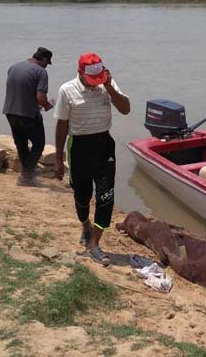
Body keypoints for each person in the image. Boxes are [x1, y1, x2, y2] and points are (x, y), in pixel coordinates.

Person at [55, 53, 130, 266]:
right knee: (82, 195)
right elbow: (62, 125)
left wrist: (109, 87)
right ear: (80, 73)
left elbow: (125, 109)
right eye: (92, 79)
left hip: (104, 145)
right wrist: (59, 158)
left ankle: (94, 245)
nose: (96, 82)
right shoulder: (66, 90)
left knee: (106, 195)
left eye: (100, 77)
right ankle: (85, 225)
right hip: (78, 146)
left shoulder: (107, 84)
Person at [3, 47, 54, 187]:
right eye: (47, 62)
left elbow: (19, 89)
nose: (46, 66)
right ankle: (26, 175)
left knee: (21, 143)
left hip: (10, 111)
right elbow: (41, 97)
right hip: (28, 115)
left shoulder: (13, 67)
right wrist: (48, 105)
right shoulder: (41, 72)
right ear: (44, 59)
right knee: (39, 144)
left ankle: (28, 172)